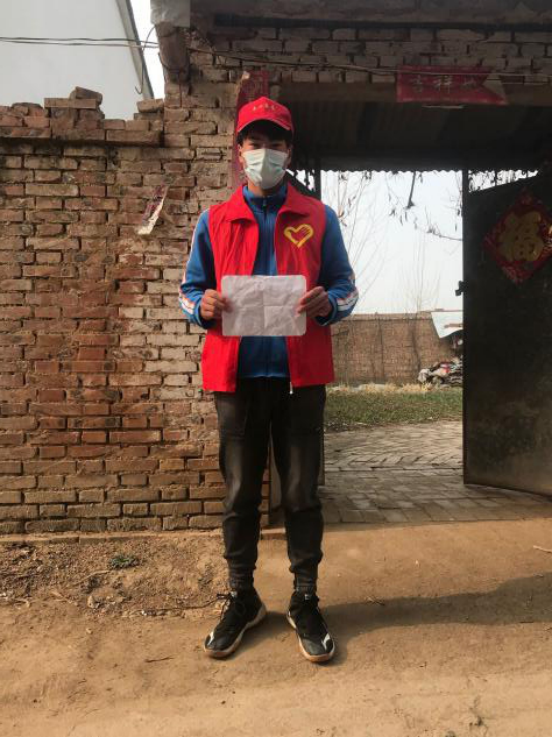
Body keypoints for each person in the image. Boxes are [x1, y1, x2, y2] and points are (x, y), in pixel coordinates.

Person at [179, 96, 358, 663]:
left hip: (299, 379)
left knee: (301, 493)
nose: (264, 153)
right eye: (254, 143)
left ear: (289, 151)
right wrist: (201, 306)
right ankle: (243, 597)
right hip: (235, 380)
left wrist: (328, 302)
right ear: (239, 151)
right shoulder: (214, 221)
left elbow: (346, 285)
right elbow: (188, 289)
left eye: (274, 143)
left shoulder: (319, 218)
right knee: (239, 494)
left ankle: (305, 599)